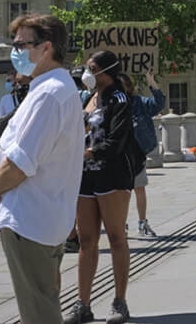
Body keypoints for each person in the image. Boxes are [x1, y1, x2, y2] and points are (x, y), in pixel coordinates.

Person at [0, 13, 84, 324]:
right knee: (40, 306)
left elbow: (21, 163)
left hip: (30, 219)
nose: (15, 50)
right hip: (42, 217)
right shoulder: (50, 88)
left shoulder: (49, 93)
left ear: (46, 47)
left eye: (21, 44)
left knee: (39, 314)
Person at [64, 50, 144, 324]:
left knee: (116, 237)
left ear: (106, 71)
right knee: (86, 239)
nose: (87, 72)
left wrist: (87, 153)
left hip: (113, 175)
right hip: (85, 177)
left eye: (92, 67)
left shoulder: (119, 99)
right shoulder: (88, 98)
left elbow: (117, 140)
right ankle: (82, 303)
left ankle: (120, 301)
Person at [119, 71, 166, 239]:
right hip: (118, 154)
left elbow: (159, 104)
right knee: (121, 191)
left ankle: (142, 222)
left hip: (136, 153)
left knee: (139, 188)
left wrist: (151, 82)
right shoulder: (112, 104)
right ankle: (120, 224)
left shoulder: (139, 103)